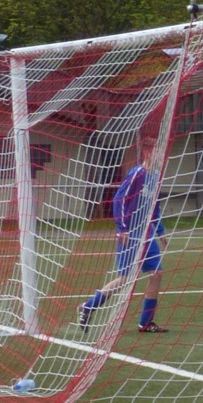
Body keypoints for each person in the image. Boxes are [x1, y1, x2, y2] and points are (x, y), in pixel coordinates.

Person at [80, 134, 170, 334]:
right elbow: (118, 199)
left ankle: (146, 323)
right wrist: (122, 228)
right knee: (125, 278)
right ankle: (88, 306)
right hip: (130, 234)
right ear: (147, 152)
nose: (161, 156)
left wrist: (160, 231)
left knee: (157, 273)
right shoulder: (137, 174)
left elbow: (153, 207)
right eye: (158, 152)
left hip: (146, 234)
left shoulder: (155, 177)